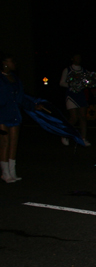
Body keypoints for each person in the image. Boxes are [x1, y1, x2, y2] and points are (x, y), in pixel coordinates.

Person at [1, 54, 42, 183]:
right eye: (11, 61)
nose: (14, 63)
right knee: (4, 143)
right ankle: (5, 173)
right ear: (4, 63)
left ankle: (12, 171)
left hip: (14, 113)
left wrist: (34, 106)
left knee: (14, 142)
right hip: (2, 114)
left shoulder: (15, 79)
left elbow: (22, 98)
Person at [59, 53, 92, 146]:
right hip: (71, 96)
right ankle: (65, 134)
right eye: (76, 57)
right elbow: (61, 83)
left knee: (83, 118)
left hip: (81, 95)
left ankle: (83, 139)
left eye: (79, 57)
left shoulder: (84, 70)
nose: (78, 59)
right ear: (72, 59)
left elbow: (87, 82)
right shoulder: (68, 70)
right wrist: (72, 85)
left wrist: (88, 82)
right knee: (74, 118)